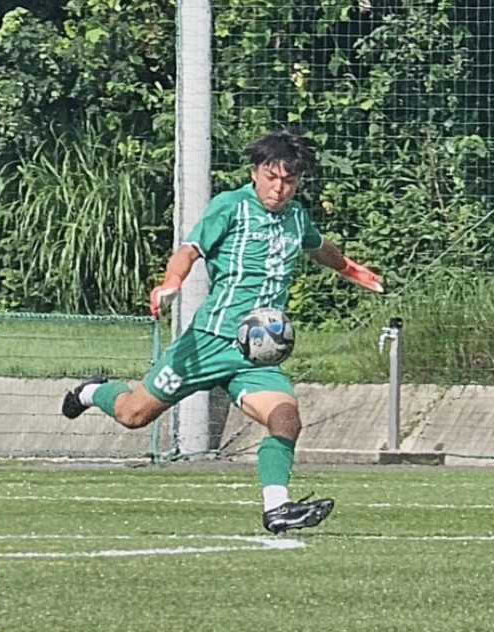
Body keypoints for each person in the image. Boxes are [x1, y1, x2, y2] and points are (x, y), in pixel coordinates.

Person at [61, 130, 383, 533]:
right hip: (208, 342)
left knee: (286, 418)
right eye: (271, 177)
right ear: (255, 173)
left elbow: (319, 246)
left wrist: (349, 269)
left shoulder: (296, 217)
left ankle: (277, 507)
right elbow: (189, 250)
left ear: (298, 182)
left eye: (289, 181)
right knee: (133, 414)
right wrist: (171, 283)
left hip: (257, 352)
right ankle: (91, 391)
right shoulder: (230, 206)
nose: (279, 188)